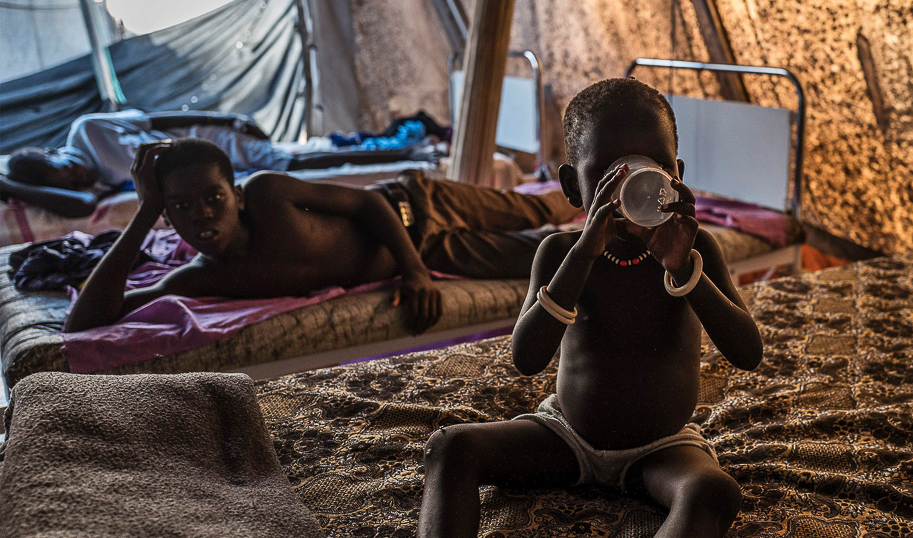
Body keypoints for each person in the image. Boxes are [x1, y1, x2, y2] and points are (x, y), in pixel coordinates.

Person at [302, 77, 764, 538]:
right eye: (608, 176)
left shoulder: (697, 249)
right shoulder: (559, 252)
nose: (628, 190)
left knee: (712, 491)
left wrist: (685, 272)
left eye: (649, 169)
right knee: (451, 447)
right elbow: (526, 357)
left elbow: (747, 351)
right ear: (573, 185)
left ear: (676, 176)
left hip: (661, 449)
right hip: (568, 436)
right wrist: (585, 254)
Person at [63, 138, 577, 335]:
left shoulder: (266, 195)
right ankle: (601, 226)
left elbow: (367, 202)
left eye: (213, 198)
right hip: (431, 248)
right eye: (179, 207)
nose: (201, 217)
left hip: (417, 203)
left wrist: (415, 273)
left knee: (537, 206)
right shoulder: (200, 277)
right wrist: (146, 208)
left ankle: (587, 181)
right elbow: (86, 322)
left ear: (236, 194)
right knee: (552, 256)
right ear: (166, 215)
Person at [0, 109, 444, 217]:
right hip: (214, 169)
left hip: (214, 141)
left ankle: (411, 152)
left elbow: (158, 118)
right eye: (66, 177)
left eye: (66, 166)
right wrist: (11, 188)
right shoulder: (95, 187)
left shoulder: (88, 130)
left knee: (297, 163)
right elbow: (77, 205)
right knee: (294, 161)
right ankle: (406, 147)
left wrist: (223, 118)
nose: (77, 172)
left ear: (54, 150)